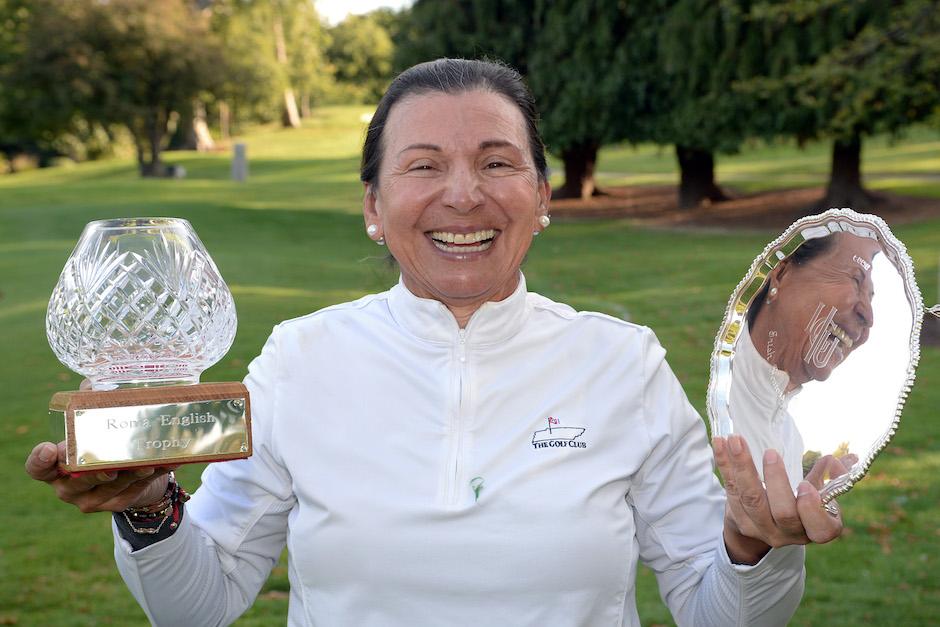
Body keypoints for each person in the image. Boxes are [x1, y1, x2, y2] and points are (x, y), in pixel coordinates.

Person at [26, 59, 843, 626]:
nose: (463, 194)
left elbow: (717, 608)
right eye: (423, 166)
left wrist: (751, 547)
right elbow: (197, 605)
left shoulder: (623, 362)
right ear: (374, 205)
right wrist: (146, 510)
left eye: (496, 162)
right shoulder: (299, 359)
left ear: (540, 195)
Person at [731, 229, 881, 487]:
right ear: (781, 274)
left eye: (871, 297)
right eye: (856, 280)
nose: (869, 317)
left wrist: (798, 509)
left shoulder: (791, 439)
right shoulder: (702, 394)